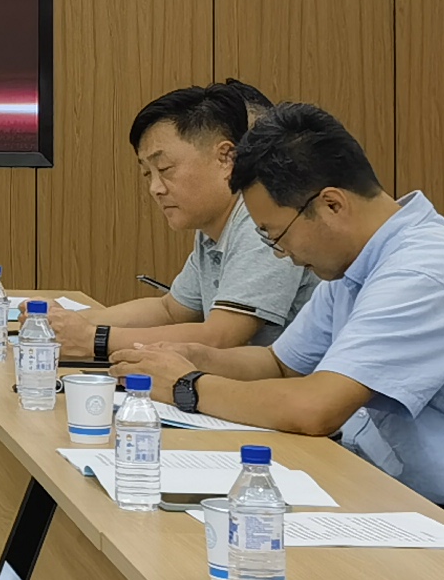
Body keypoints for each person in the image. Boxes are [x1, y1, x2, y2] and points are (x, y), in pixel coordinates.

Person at [153, 103, 444, 512]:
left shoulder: (423, 272)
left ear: (331, 205)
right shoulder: (357, 262)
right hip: (390, 484)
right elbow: (281, 365)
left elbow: (315, 409)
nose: (281, 254)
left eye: (276, 235)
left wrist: (188, 385)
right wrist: (193, 357)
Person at [54, 81, 304, 370]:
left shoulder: (260, 221)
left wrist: (94, 338)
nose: (155, 188)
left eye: (164, 169)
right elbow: (170, 309)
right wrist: (66, 321)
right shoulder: (213, 228)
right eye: (147, 174)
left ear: (226, 158)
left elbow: (221, 337)